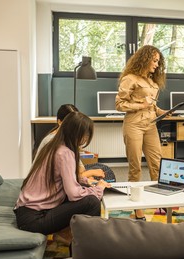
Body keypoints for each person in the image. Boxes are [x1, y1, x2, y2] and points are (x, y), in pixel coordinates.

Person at [14, 111, 110, 241]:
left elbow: (67, 177)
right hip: (34, 219)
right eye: (85, 135)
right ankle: (89, 246)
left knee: (85, 191)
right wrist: (98, 188)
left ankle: (70, 236)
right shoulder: (65, 153)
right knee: (92, 202)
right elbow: (73, 194)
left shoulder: (54, 146)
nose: (86, 139)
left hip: (26, 212)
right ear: (77, 134)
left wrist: (86, 181)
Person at [116, 45, 167, 220]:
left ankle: (160, 200)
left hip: (151, 125)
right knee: (135, 167)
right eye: (154, 60)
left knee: (157, 163)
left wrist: (163, 112)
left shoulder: (152, 82)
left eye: (158, 61)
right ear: (144, 59)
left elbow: (152, 106)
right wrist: (142, 105)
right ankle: (137, 208)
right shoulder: (130, 79)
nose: (156, 64)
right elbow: (119, 105)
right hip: (134, 125)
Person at [35, 104, 106, 180]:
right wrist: (89, 174)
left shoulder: (69, 138)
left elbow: (80, 167)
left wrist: (88, 176)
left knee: (103, 169)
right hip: (50, 180)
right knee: (100, 173)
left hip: (69, 174)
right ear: (60, 122)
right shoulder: (52, 141)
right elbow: (65, 177)